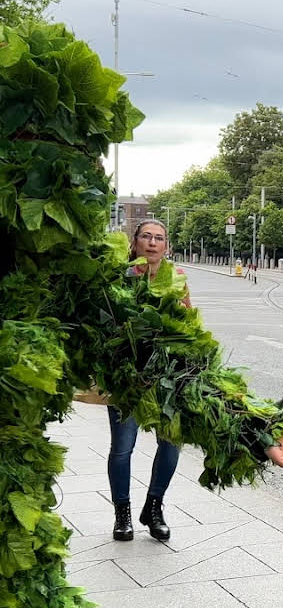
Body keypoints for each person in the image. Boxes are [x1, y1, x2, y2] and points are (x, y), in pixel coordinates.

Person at [108, 220, 192, 542]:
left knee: (171, 445)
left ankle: (154, 507)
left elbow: (188, 323)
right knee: (122, 448)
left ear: (166, 246)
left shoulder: (177, 279)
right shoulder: (121, 276)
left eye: (159, 238)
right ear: (135, 241)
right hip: (126, 376)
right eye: (147, 236)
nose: (153, 243)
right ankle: (122, 514)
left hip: (166, 375)